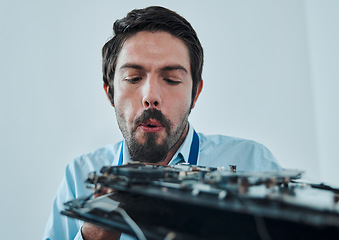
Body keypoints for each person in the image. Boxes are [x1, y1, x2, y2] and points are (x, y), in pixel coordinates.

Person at [43, 6, 281, 240]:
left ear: (195, 94)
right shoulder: (78, 176)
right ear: (110, 94)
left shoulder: (254, 165)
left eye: (171, 79)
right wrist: (91, 237)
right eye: (133, 78)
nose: (151, 97)